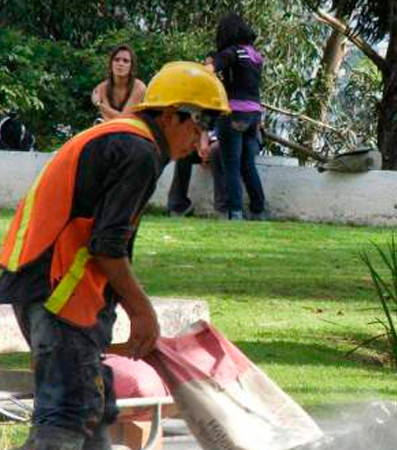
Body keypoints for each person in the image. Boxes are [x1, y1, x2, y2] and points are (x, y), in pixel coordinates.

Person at [0, 61, 229, 450]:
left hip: (45, 285)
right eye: (200, 123)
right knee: (67, 420)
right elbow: (108, 245)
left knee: (92, 412)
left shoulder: (125, 139)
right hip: (60, 293)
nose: (202, 138)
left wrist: (119, 304)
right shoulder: (139, 152)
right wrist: (142, 311)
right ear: (172, 116)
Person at [206, 13, 268, 221]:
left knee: (230, 165)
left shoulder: (231, 53)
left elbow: (208, 71)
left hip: (233, 113)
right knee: (247, 164)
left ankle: (235, 212)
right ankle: (258, 210)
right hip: (254, 116)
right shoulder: (255, 56)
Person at [167, 130, 228, 217]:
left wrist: (208, 150)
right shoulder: (203, 118)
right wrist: (200, 148)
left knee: (215, 151)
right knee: (183, 153)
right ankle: (178, 205)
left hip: (221, 145)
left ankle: (222, 209)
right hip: (203, 145)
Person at [91, 45, 147, 121]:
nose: (120, 64)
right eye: (116, 60)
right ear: (111, 64)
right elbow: (108, 119)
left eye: (125, 61)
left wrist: (100, 105)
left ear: (131, 66)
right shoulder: (102, 88)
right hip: (111, 128)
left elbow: (124, 119)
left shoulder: (139, 87)